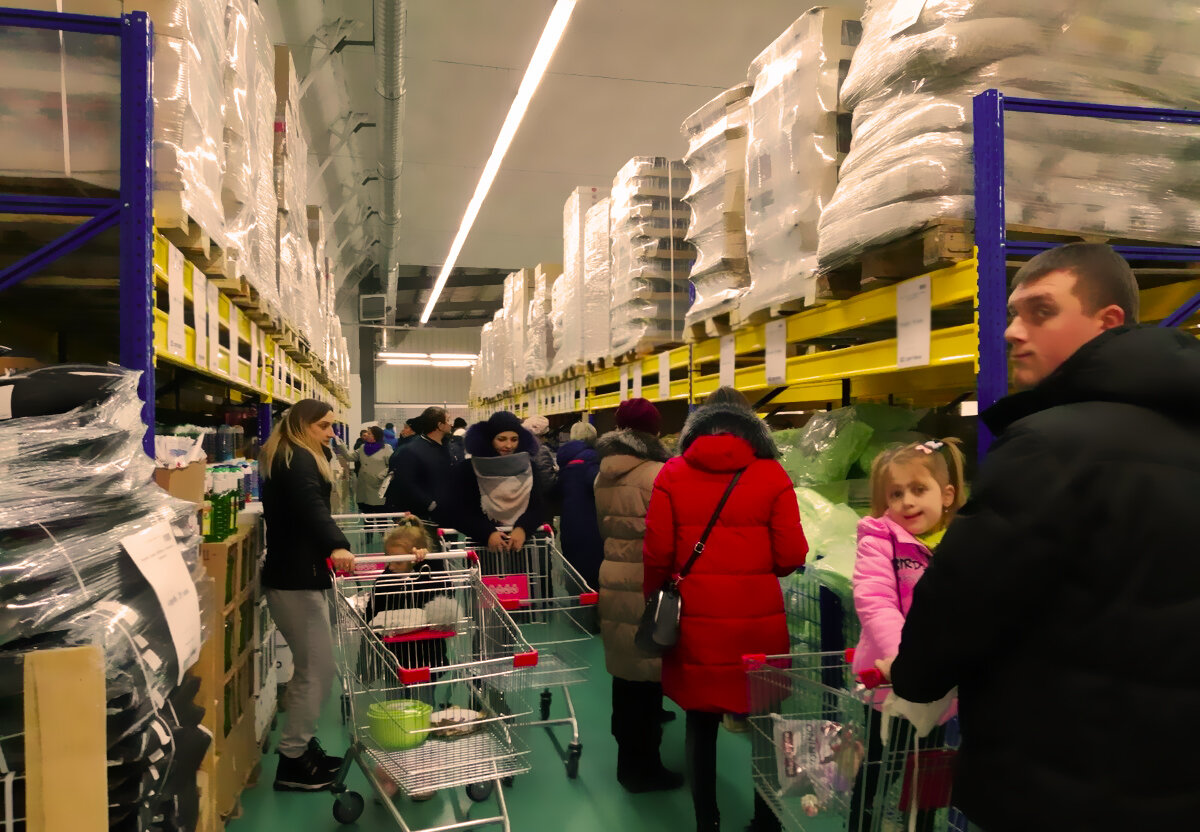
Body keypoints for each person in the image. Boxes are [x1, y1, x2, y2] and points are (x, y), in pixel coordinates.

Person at [883, 243, 1200, 831]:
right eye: (1012, 313)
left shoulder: (1051, 445)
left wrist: (916, 683)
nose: (1011, 331)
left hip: (1060, 777)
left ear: (1108, 321)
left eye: (1041, 311)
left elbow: (965, 594)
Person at [643, 387, 807, 832]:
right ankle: (767, 821)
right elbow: (791, 555)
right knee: (766, 722)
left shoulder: (672, 473)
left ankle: (707, 822)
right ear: (750, 425)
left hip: (697, 621)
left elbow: (657, 553)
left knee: (701, 721)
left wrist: (654, 596)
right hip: (758, 622)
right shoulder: (772, 475)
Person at [848, 438, 967, 831]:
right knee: (880, 767)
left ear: (946, 495)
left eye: (918, 489)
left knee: (927, 774)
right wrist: (905, 660)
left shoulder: (961, 542)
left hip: (939, 687)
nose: (907, 502)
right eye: (895, 494)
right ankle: (863, 823)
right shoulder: (879, 538)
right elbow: (875, 600)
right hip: (890, 682)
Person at [259, 398, 354, 792]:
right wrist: (338, 544)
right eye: (324, 426)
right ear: (302, 425)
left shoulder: (292, 454)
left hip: (298, 575)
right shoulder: (297, 458)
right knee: (316, 670)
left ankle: (301, 747)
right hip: (295, 580)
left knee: (315, 669)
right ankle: (293, 761)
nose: (331, 433)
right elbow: (311, 507)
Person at [594, 398, 683, 793]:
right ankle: (643, 770)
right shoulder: (660, 475)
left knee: (625, 674)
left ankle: (627, 759)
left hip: (613, 576)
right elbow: (668, 537)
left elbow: (604, 529)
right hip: (647, 581)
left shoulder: (602, 474)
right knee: (647, 678)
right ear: (654, 432)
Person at [448, 411, 546, 551]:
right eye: (502, 439)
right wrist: (487, 533)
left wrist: (523, 529)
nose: (509, 445)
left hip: (522, 545)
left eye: (514, 439)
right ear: (490, 439)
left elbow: (538, 507)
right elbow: (461, 512)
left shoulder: (530, 467)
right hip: (484, 546)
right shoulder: (469, 469)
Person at [384, 407, 453, 522]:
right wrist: (430, 504)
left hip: (447, 512)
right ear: (440, 425)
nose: (451, 424)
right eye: (448, 420)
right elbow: (406, 482)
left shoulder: (447, 447)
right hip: (423, 516)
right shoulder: (412, 450)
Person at [556, 421, 603, 590]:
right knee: (593, 577)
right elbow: (596, 485)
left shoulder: (565, 462)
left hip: (569, 524)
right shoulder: (593, 459)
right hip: (592, 524)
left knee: (574, 573)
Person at [337, 426, 392, 513]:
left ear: (376, 436)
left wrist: (381, 475)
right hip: (364, 486)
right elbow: (349, 457)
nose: (366, 435)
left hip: (378, 485)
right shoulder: (363, 447)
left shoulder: (386, 448)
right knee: (366, 512)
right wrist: (341, 445)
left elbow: (392, 464)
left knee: (380, 513)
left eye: (369, 433)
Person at [523, 414, 559, 499]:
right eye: (545, 435)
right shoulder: (539, 450)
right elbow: (547, 482)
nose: (546, 439)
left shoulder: (521, 446)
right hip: (540, 499)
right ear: (540, 435)